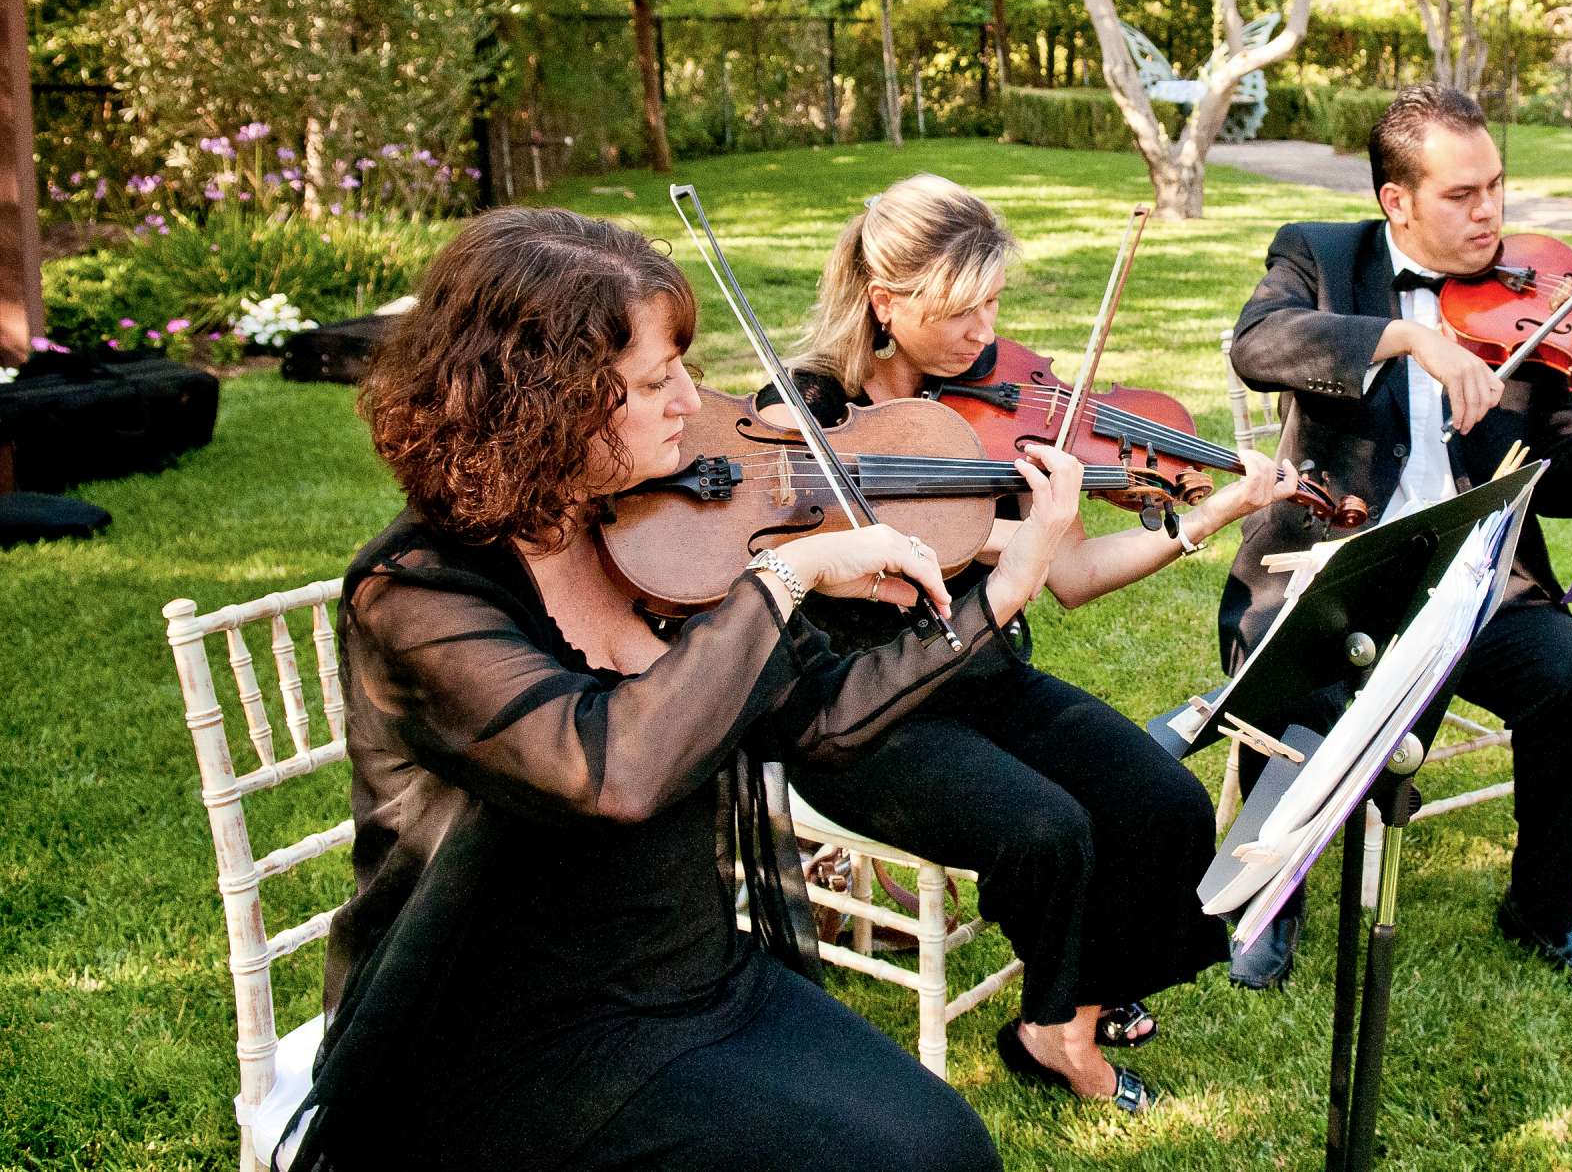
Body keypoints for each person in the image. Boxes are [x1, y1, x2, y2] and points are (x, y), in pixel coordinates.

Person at [299, 208, 1001, 1172]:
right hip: (508, 1032)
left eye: (683, 366)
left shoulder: (652, 539)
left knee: (946, 1149)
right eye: (651, 381)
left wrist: (1002, 585)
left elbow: (827, 723)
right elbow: (613, 770)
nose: (690, 400)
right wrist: (785, 582)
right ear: (539, 402)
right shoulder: (418, 596)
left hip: (689, 975)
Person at [755, 173, 1297, 1112]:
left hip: (982, 671)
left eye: (994, 304)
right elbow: (779, 554)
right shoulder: (800, 411)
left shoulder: (996, 409)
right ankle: (1066, 1035)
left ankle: (1067, 1009)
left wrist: (1218, 508)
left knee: (1164, 802)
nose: (985, 334)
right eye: (961, 310)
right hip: (862, 707)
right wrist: (1008, 536)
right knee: (1049, 830)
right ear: (885, 302)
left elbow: (1075, 576)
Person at [1218, 84, 1572, 992]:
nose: (1489, 212)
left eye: (1496, 186)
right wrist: (1405, 340)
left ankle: (1542, 908)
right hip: (1337, 554)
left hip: (1477, 574)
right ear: (1398, 201)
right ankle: (1269, 892)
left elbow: (1569, 475)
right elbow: (1258, 344)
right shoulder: (1320, 255)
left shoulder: (1535, 296)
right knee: (1288, 657)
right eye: (1462, 195)